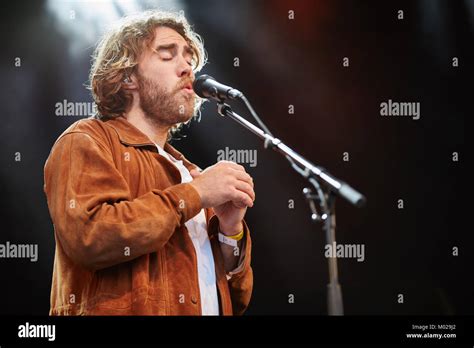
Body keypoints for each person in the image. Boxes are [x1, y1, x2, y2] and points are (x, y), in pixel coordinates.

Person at [43, 10, 254, 316]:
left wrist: (230, 230)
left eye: (189, 59)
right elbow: (91, 236)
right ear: (127, 76)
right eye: (168, 55)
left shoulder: (191, 173)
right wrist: (194, 195)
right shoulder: (86, 140)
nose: (187, 69)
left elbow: (236, 300)